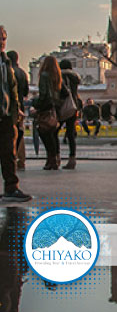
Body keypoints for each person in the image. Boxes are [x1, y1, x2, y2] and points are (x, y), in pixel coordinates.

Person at [0, 27, 31, 201]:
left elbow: (12, 89)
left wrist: (16, 108)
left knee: (9, 153)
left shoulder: (6, 62)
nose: (2, 42)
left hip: (6, 114)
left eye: (4, 38)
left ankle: (11, 188)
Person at [33, 55, 62, 171]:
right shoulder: (57, 77)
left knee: (44, 133)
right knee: (52, 135)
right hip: (55, 109)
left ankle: (50, 160)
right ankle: (53, 160)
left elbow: (44, 94)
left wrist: (37, 106)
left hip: (46, 108)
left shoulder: (44, 75)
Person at [6, 51, 28, 170]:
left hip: (9, 107)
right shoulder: (22, 73)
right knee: (20, 133)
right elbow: (25, 92)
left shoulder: (8, 71)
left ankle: (12, 159)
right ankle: (21, 160)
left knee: (9, 134)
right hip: (20, 107)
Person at [59, 59, 80, 170]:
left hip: (63, 106)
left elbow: (62, 92)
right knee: (71, 133)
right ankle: (72, 159)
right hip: (73, 106)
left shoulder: (61, 76)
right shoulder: (75, 77)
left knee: (54, 131)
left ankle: (55, 157)